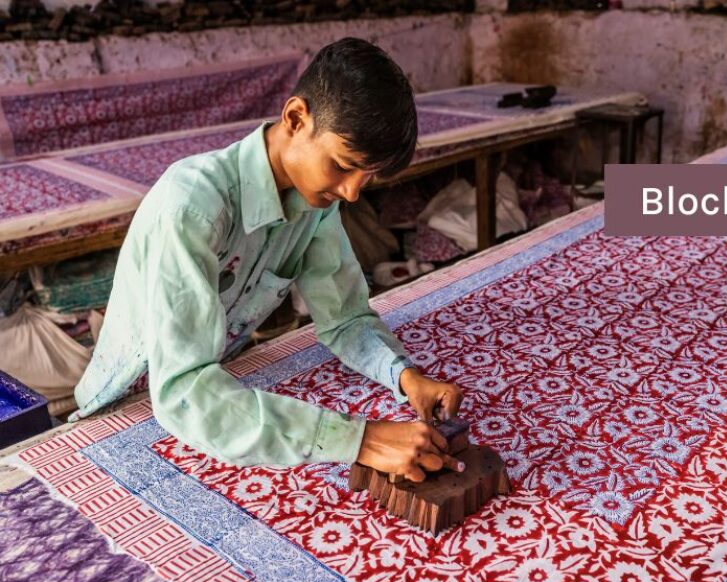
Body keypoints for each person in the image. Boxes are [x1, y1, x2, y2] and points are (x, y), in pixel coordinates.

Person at [70, 37, 464, 482]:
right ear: (296, 118)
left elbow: (344, 318)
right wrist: (360, 439)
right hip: (132, 408)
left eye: (366, 176)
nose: (353, 192)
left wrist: (405, 376)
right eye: (342, 164)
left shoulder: (315, 205)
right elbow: (181, 392)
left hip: (216, 390)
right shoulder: (192, 208)